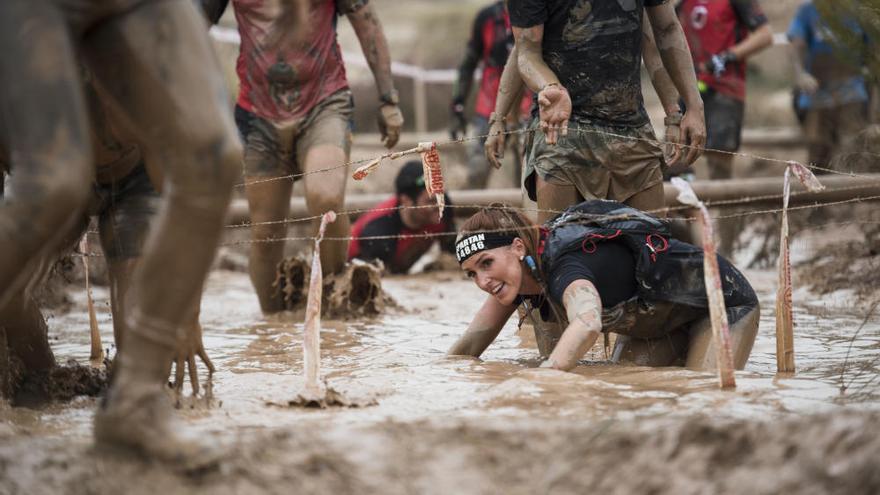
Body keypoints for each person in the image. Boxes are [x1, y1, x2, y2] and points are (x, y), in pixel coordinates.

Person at [0, 0, 274, 466]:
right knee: (50, 188)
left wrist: (186, 310)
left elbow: (176, 175)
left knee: (212, 158)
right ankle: (27, 383)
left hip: (130, 180)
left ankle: (136, 402)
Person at [216, 0, 404, 314]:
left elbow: (366, 20)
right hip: (258, 114)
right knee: (266, 229)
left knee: (326, 200)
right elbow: (190, 22)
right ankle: (273, 328)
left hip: (324, 103)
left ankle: (332, 301)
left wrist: (388, 99)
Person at [449, 200, 760, 371]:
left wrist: (545, 380)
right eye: (471, 274)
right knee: (623, 381)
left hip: (721, 301)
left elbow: (587, 322)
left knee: (703, 395)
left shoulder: (563, 267)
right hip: (660, 319)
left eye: (486, 263)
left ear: (518, 248)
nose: (483, 281)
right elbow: (466, 349)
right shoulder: (513, 279)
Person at [506, 0, 707, 223]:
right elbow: (526, 53)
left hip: (631, 127)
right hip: (564, 127)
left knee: (651, 244)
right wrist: (550, 86)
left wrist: (691, 108)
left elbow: (666, 29)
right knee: (562, 244)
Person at [677, 0, 773, 255]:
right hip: (687, 88)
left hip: (724, 90)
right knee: (678, 168)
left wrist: (728, 56)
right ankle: (689, 251)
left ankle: (726, 253)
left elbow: (765, 35)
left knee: (720, 171)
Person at [450, 0, 532, 189]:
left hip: (528, 109)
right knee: (477, 172)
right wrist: (457, 106)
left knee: (527, 179)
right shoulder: (486, 18)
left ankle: (525, 217)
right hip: (489, 108)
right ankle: (475, 216)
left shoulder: (537, 12)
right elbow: (467, 65)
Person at [787, 0, 870, 173]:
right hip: (817, 93)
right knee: (818, 153)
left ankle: (854, 197)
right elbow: (797, 44)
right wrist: (800, 74)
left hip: (853, 91)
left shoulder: (860, 10)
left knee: (853, 150)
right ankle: (820, 198)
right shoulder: (808, 10)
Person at [348, 161, 455, 273]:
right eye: (431, 201)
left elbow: (451, 252)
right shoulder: (379, 233)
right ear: (406, 201)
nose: (439, 205)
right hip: (353, 261)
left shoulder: (443, 208)